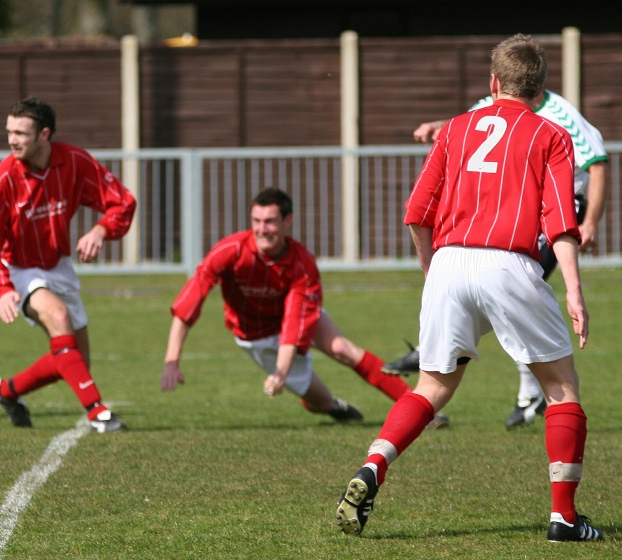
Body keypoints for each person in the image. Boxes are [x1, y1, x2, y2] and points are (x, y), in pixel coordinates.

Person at [336, 34, 602, 542]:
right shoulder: (551, 134)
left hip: (450, 263)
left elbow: (416, 213)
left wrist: (431, 269)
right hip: (509, 264)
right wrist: (572, 288)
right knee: (561, 387)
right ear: (540, 85)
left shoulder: (455, 130)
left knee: (432, 387)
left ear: (493, 82)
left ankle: (373, 464)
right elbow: (562, 222)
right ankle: (564, 518)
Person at [383, 78, 608, 431]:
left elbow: (596, 162)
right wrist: (438, 126)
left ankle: (523, 388)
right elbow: (479, 126)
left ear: (498, 80)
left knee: (520, 295)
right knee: (516, 299)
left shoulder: (561, 116)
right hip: (518, 224)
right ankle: (528, 390)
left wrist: (590, 219)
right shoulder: (492, 106)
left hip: (558, 212)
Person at [160, 187, 448, 428]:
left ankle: (421, 411)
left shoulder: (302, 265)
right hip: (256, 337)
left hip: (290, 325)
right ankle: (332, 405)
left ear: (288, 221)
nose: (262, 229)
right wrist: (172, 360)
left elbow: (295, 325)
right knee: (318, 400)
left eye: (270, 221)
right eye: (256, 221)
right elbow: (190, 301)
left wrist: (280, 374)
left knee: (342, 349)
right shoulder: (231, 251)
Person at [0, 96, 136, 433]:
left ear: (44, 135)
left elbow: (123, 203)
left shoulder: (75, 162)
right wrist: (2, 288)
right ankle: (99, 414)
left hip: (59, 265)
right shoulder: (3, 177)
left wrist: (100, 229)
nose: (12, 140)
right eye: (9, 132)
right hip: (21, 268)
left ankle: (7, 391)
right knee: (59, 318)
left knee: (75, 361)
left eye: (21, 133)